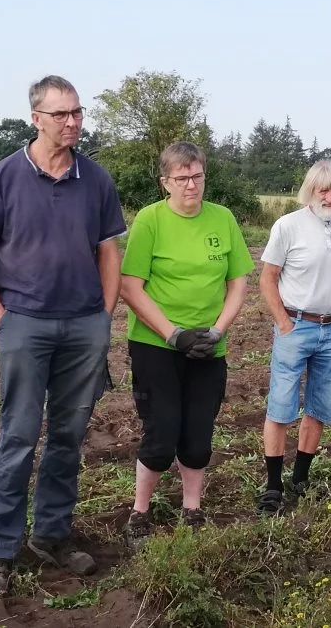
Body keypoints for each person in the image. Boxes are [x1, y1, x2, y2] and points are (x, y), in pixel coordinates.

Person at [0, 75, 126, 596]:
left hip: (83, 326)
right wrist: (3, 322)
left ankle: (52, 535)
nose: (73, 122)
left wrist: (102, 316)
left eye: (77, 113)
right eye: (61, 114)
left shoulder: (95, 181)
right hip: (24, 325)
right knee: (17, 436)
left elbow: (109, 253)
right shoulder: (2, 178)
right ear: (36, 118)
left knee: (67, 438)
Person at [119, 141, 254, 546]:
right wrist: (173, 334)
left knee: (198, 432)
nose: (191, 185)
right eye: (181, 178)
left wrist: (217, 331)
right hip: (156, 344)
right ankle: (140, 511)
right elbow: (130, 286)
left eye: (197, 176)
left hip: (208, 346)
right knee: (161, 431)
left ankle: (192, 509)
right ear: (166, 183)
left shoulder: (223, 219)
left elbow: (238, 282)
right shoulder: (150, 220)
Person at [256, 160, 331, 515]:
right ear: (310, 191)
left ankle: (300, 480)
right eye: (323, 189)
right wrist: (284, 323)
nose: (330, 196)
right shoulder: (288, 226)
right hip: (296, 326)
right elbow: (267, 278)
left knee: (320, 407)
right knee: (280, 407)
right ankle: (273, 486)